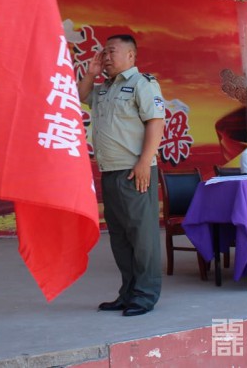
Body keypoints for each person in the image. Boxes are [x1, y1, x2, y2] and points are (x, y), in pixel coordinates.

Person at [78, 34, 166, 317]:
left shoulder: (143, 83)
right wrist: (91, 74)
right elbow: (79, 97)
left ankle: (145, 295)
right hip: (110, 170)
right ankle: (128, 293)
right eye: (104, 52)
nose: (106, 57)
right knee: (120, 237)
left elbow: (156, 122)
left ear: (130, 55)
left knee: (143, 237)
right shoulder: (104, 89)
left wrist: (144, 162)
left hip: (135, 170)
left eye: (111, 52)